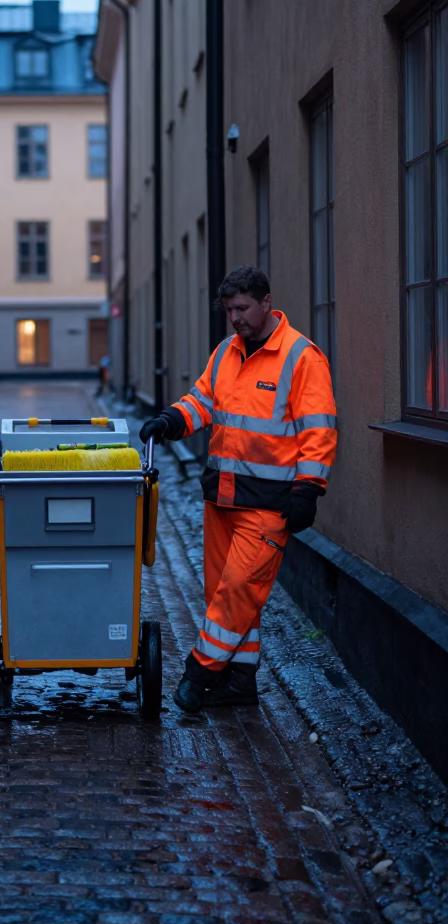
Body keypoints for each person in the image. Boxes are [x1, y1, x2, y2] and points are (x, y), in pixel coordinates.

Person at [140, 265, 337, 712]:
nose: (235, 317)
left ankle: (198, 674)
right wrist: (172, 420)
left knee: (237, 594)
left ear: (266, 302)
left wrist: (309, 487)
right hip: (222, 498)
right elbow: (204, 400)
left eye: (243, 308)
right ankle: (240, 682)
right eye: (229, 309)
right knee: (221, 595)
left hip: (269, 505)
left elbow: (319, 429)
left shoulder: (301, 357)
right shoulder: (227, 351)